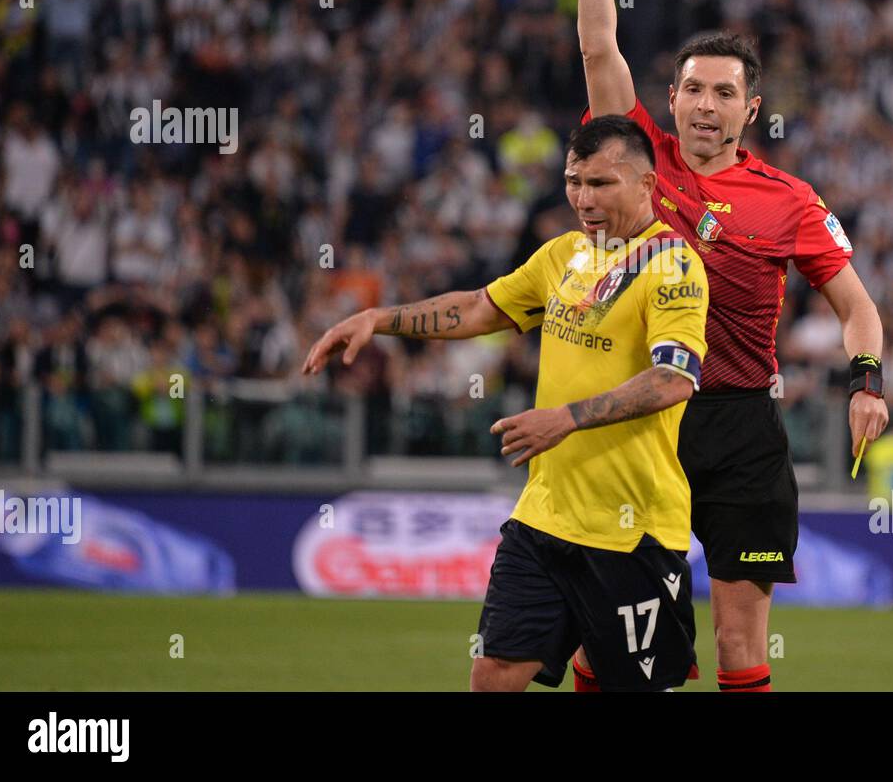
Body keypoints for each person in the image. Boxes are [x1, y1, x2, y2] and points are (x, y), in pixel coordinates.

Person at [571, 0, 890, 692]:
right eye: (691, 89)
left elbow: (858, 306)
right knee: (620, 642)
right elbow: (599, 46)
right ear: (670, 99)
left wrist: (867, 381)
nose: (704, 104)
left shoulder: (790, 200)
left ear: (752, 108)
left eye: (724, 92)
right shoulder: (640, 160)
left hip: (743, 429)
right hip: (646, 420)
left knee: (741, 646)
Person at [303, 115, 710, 692]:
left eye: (601, 184)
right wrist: (380, 318)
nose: (583, 199)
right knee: (492, 675)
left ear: (646, 185)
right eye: (574, 182)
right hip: (544, 517)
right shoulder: (563, 255)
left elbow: (673, 378)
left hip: (632, 532)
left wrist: (565, 419)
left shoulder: (674, 266)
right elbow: (477, 308)